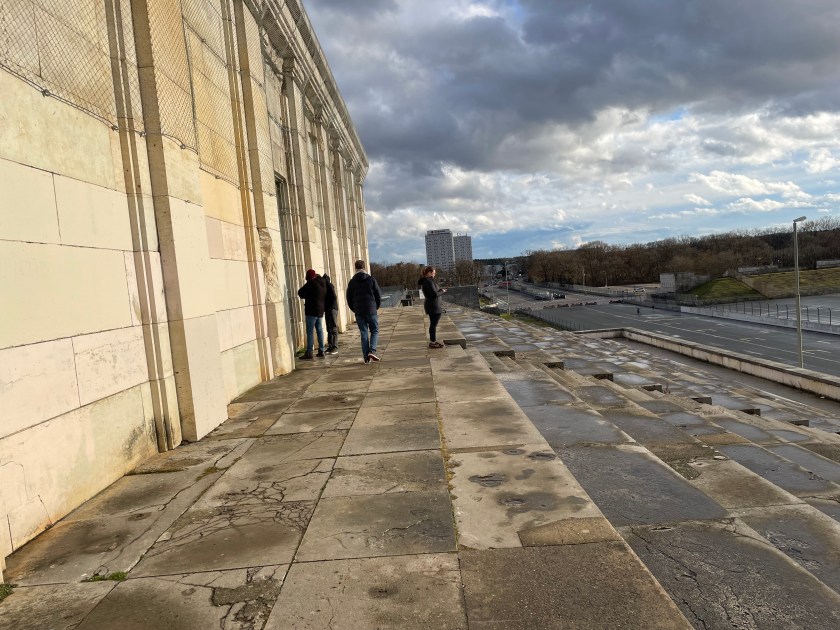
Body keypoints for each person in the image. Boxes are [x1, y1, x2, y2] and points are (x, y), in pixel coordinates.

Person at [346, 260, 381, 363]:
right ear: (364, 267)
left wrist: (354, 309)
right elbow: (378, 294)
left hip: (359, 311)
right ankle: (372, 351)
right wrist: (376, 306)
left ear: (355, 268)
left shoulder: (352, 282)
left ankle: (366, 357)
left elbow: (349, 298)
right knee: (374, 330)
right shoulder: (371, 279)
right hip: (371, 309)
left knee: (363, 333)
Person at [297, 269, 326, 359]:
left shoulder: (311, 283)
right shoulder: (322, 283)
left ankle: (309, 352)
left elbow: (300, 292)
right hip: (320, 310)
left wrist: (307, 296)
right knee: (319, 330)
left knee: (310, 331)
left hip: (311, 311)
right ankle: (321, 350)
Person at [418, 265, 446, 349]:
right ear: (429, 273)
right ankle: (432, 342)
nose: (434, 274)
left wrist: (439, 291)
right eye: (433, 273)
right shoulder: (428, 282)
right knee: (433, 325)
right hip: (433, 306)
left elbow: (433, 293)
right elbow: (434, 294)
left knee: (433, 324)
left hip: (432, 305)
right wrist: (442, 291)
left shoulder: (427, 281)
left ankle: (433, 341)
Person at [323, 273, 339, 355]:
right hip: (328, 309)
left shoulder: (329, 286)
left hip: (332, 309)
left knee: (333, 328)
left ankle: (335, 347)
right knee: (329, 328)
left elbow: (334, 297)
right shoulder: (326, 287)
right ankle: (330, 346)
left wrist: (330, 306)